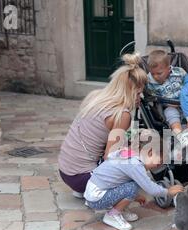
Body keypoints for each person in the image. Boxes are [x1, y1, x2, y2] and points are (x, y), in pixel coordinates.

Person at [58, 53, 147, 199]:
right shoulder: (122, 115)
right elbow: (110, 158)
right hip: (82, 177)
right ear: (128, 92)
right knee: (133, 173)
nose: (140, 98)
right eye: (138, 94)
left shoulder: (96, 96)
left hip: (65, 172)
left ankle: (84, 189)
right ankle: (104, 202)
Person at [85, 141, 184, 230]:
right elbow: (151, 189)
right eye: (160, 161)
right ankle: (112, 215)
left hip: (95, 193)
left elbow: (119, 180)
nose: (159, 165)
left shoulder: (132, 156)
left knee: (133, 185)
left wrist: (136, 196)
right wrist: (168, 191)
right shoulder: (135, 164)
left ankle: (120, 209)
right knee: (132, 187)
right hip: (97, 198)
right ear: (150, 152)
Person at [146, 50, 188, 148]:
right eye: (152, 73)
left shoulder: (179, 72)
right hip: (169, 106)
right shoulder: (149, 81)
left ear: (168, 68)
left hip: (186, 103)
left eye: (159, 73)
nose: (155, 76)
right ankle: (180, 135)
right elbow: (154, 98)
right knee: (171, 114)